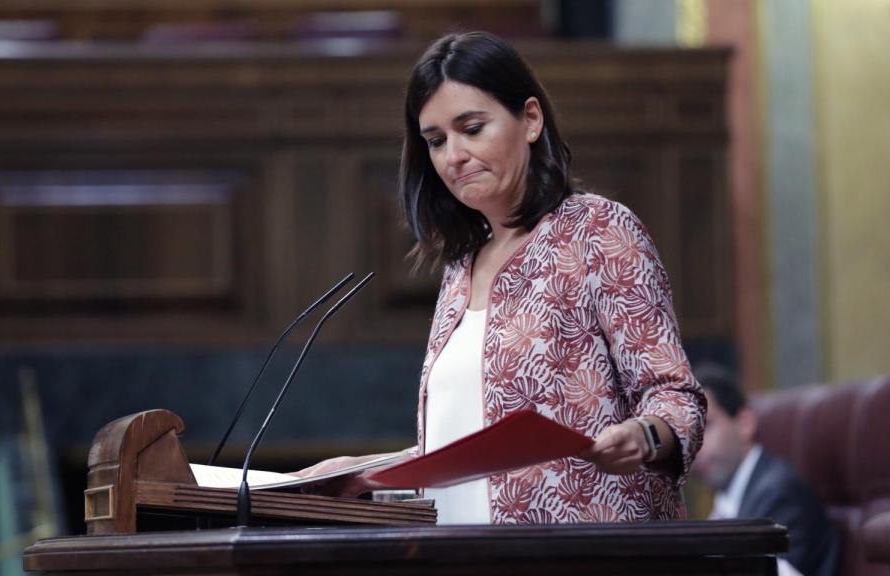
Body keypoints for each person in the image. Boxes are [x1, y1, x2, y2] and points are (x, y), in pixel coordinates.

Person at [297, 31, 706, 525]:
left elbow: (676, 396)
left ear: (530, 119)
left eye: (472, 128)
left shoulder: (597, 229)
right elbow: (469, 447)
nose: (454, 155)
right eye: (436, 141)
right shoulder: (461, 266)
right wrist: (363, 472)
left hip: (589, 548)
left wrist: (645, 435)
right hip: (464, 551)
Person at [692, 363, 839, 576]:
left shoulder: (780, 494)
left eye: (706, 427)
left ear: (745, 423)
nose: (695, 449)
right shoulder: (730, 500)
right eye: (687, 439)